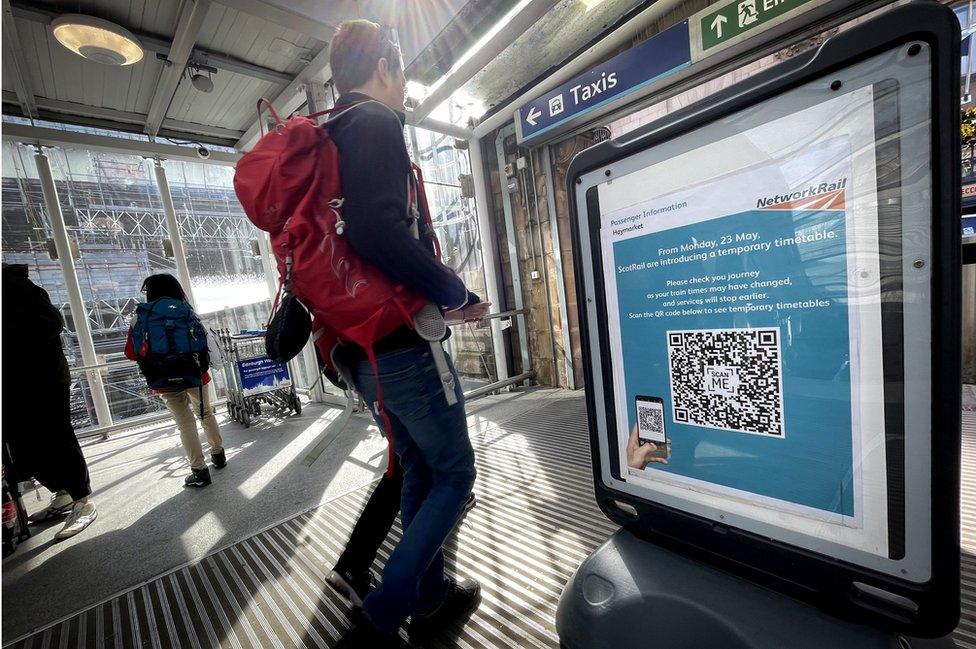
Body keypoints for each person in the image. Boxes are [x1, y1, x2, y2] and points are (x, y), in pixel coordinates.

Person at [325, 20, 490, 647]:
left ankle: (429, 596)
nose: (406, 91)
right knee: (455, 473)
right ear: (386, 69)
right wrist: (454, 292)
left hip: (357, 349)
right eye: (404, 76)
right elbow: (377, 232)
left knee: (419, 465)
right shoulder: (374, 124)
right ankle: (380, 616)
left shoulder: (330, 131)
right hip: (398, 344)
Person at [1, 263, 97, 540]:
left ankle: (82, 499)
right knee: (28, 442)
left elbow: (51, 323)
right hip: (24, 383)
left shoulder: (17, 288)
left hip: (41, 381)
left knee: (56, 436)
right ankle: (65, 493)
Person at [124, 274, 225, 488]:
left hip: (164, 378)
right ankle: (218, 454)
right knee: (205, 413)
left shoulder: (140, 317)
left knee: (185, 424)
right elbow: (202, 342)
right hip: (194, 374)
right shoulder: (187, 311)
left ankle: (199, 470)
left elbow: (131, 352)